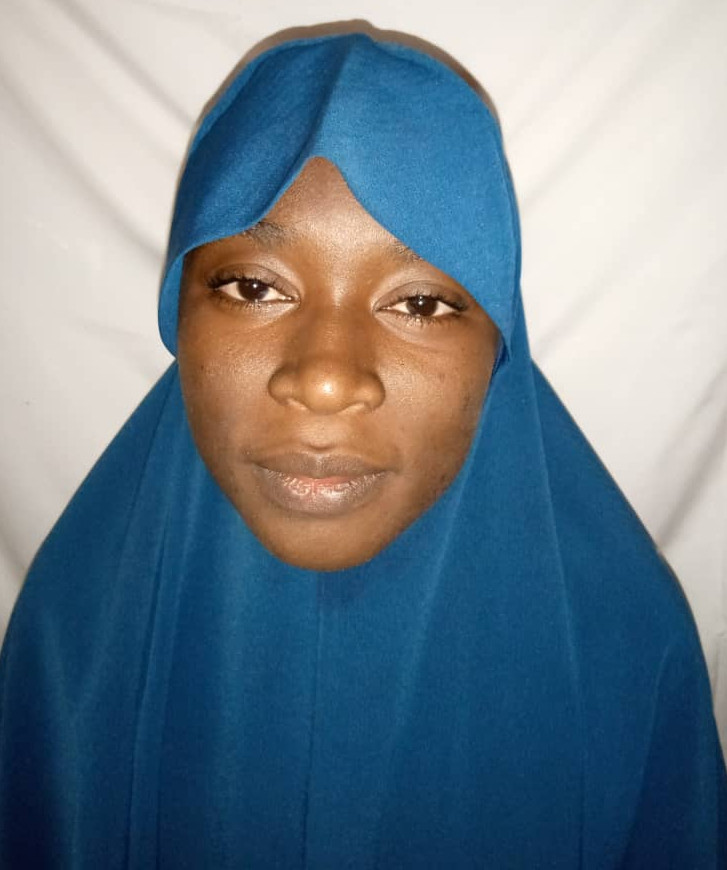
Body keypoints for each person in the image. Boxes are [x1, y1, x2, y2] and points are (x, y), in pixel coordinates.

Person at [0, 30, 724, 869]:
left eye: (419, 303)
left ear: (499, 343)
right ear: (179, 312)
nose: (325, 381)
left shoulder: (626, 653)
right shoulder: (75, 646)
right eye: (254, 287)